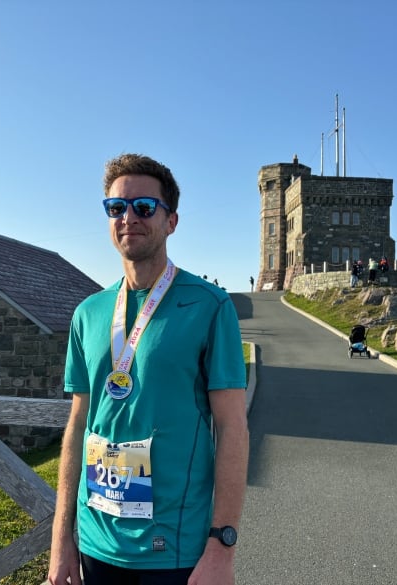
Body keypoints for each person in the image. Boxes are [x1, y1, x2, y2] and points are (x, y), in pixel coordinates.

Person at [48, 154, 249, 585]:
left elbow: (232, 427)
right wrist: (61, 538)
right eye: (116, 208)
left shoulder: (210, 306)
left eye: (144, 207)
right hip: (95, 541)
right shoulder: (88, 313)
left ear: (171, 221)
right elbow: (79, 423)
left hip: (175, 548)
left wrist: (222, 545)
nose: (128, 218)